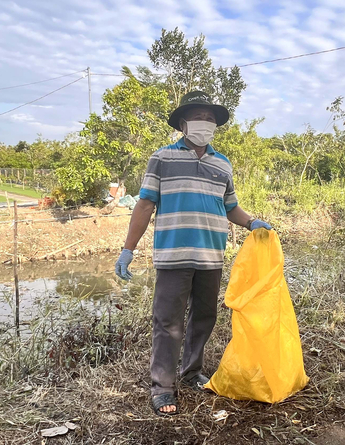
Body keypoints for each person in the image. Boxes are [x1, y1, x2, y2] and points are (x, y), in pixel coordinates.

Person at [114, 91, 271, 416]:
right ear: (184, 123)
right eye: (199, 117)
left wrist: (251, 221)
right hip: (173, 257)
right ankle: (162, 387)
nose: (205, 123)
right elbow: (144, 204)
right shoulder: (162, 158)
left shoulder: (222, 163)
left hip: (211, 257)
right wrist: (128, 249)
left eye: (210, 118)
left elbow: (230, 207)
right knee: (168, 323)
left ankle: (191, 372)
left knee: (204, 317)